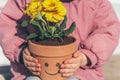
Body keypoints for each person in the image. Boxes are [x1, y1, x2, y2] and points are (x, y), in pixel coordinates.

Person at [0, 0, 120, 80]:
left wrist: (86, 57)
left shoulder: (96, 2)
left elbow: (108, 30)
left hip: (81, 72)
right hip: (32, 71)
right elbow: (7, 23)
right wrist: (20, 51)